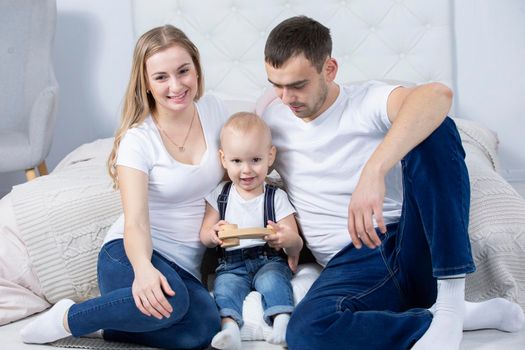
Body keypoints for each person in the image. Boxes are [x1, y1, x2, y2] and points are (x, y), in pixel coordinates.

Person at [258, 16, 525, 350]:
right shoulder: (272, 118)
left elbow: (437, 96)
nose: (286, 97)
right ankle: (441, 318)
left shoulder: (365, 101)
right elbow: (233, 154)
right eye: (276, 85)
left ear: (329, 69)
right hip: (350, 265)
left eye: (298, 85)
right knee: (307, 332)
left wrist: (374, 171)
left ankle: (452, 301)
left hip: (408, 242)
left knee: (437, 129)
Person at [20, 25, 228, 349]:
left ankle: (104, 328)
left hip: (184, 265)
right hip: (129, 254)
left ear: (197, 69)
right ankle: (66, 318)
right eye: (161, 77)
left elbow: (251, 142)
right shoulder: (138, 139)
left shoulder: (215, 110)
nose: (176, 85)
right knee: (172, 304)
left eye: (183, 71)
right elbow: (135, 220)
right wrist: (143, 269)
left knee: (204, 330)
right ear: (145, 82)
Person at [199, 112, 303, 350]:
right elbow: (205, 235)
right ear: (223, 159)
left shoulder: (275, 196)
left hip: (267, 259)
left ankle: (282, 321)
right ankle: (230, 329)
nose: (246, 170)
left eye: (255, 160)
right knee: (224, 288)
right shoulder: (220, 195)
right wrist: (213, 233)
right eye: (237, 161)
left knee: (273, 281)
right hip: (231, 265)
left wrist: (285, 238)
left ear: (270, 156)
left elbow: (296, 244)